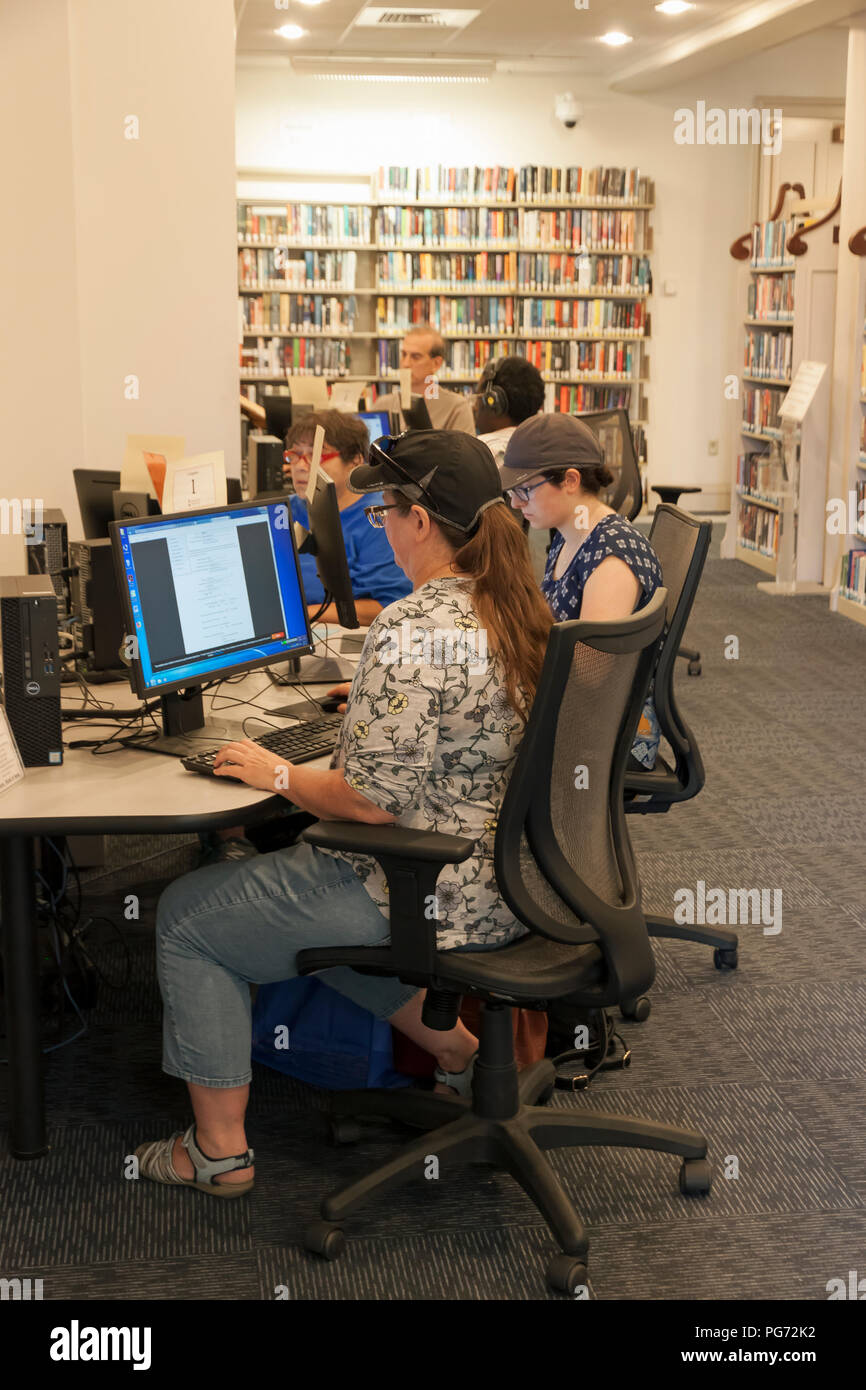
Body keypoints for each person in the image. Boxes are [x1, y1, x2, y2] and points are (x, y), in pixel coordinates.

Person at [135, 430, 553, 1196]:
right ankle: (458, 1054)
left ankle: (218, 1152)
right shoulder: (518, 608)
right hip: (513, 883)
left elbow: (365, 799)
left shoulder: (411, 629)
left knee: (191, 919)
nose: (377, 525)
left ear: (420, 522)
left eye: (384, 510)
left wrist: (279, 770)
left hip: (423, 889)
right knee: (291, 904)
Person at [500, 411, 663, 772]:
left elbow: (588, 677)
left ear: (570, 480)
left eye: (524, 489)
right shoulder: (569, 535)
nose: (515, 503)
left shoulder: (611, 558)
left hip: (611, 735)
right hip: (578, 711)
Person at [282, 408, 411, 624]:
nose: (301, 467)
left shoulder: (378, 518)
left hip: (344, 635)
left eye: (316, 455)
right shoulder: (285, 511)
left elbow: (387, 606)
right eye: (295, 455)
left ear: (355, 460)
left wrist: (299, 618)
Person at [375, 325, 475, 433]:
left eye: (416, 357)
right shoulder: (383, 405)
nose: (406, 363)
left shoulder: (456, 408)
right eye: (404, 355)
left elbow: (465, 450)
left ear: (436, 364)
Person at [472, 355, 545, 464]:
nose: (474, 407)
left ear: (494, 402)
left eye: (479, 397)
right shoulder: (545, 447)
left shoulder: (479, 451)